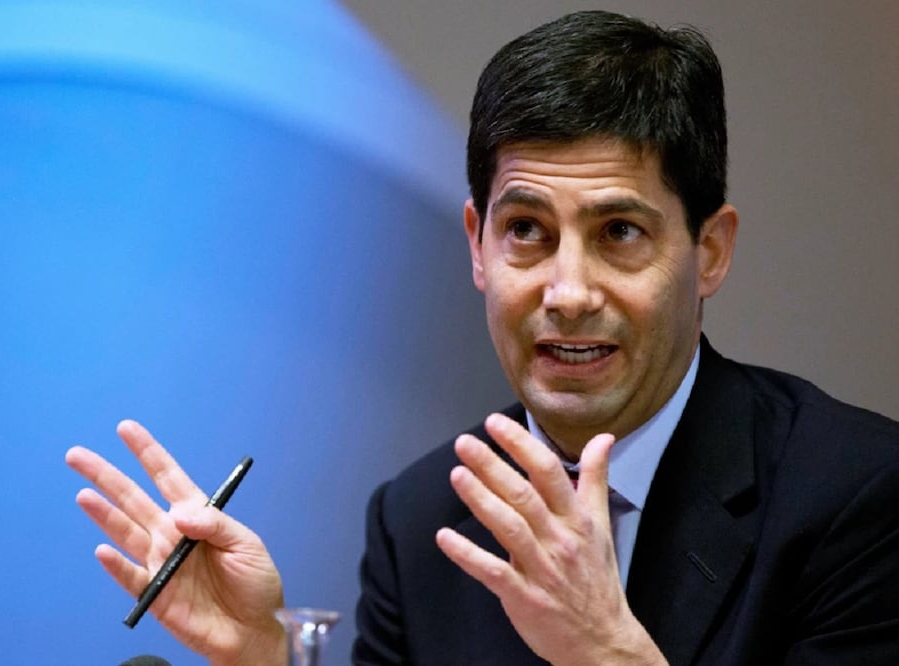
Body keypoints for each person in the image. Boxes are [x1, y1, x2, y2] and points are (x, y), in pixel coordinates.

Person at [66, 10, 899, 665]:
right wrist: (261, 657)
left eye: (619, 233)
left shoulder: (858, 497)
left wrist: (604, 652)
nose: (567, 294)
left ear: (709, 251)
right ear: (476, 243)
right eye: (527, 230)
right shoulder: (422, 519)